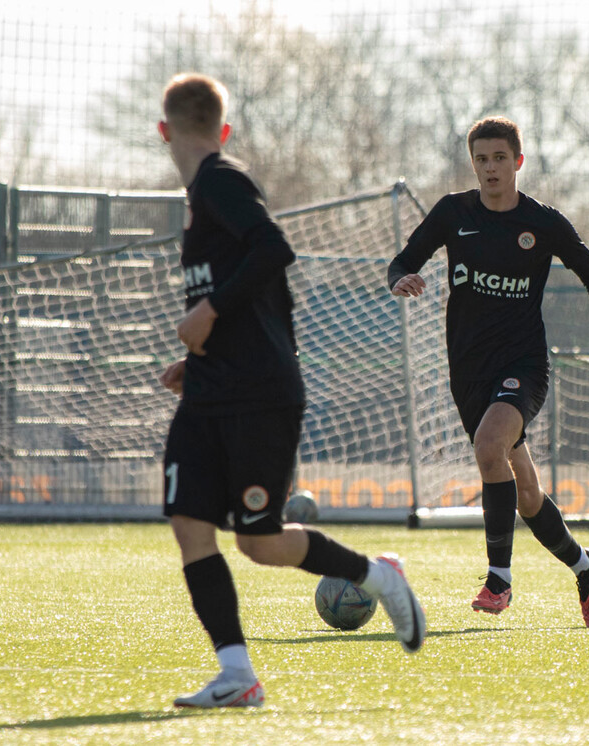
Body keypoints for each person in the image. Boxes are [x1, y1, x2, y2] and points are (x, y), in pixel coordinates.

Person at [157, 73, 425, 709]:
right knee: (189, 522)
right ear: (221, 127)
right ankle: (237, 675)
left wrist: (209, 311)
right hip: (213, 387)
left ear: (163, 131)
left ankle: (377, 577)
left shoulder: (220, 179)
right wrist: (195, 357)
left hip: (260, 393)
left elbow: (274, 249)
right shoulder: (201, 199)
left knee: (260, 541)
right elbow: (247, 299)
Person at [388, 115, 589, 628]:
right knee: (528, 493)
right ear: (472, 163)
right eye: (480, 159)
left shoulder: (543, 223)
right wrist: (402, 277)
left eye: (499, 158)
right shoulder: (453, 212)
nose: (490, 168)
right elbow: (403, 259)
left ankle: (499, 580)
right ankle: (586, 567)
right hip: (468, 371)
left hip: (523, 365)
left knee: (489, 446)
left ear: (517, 162)